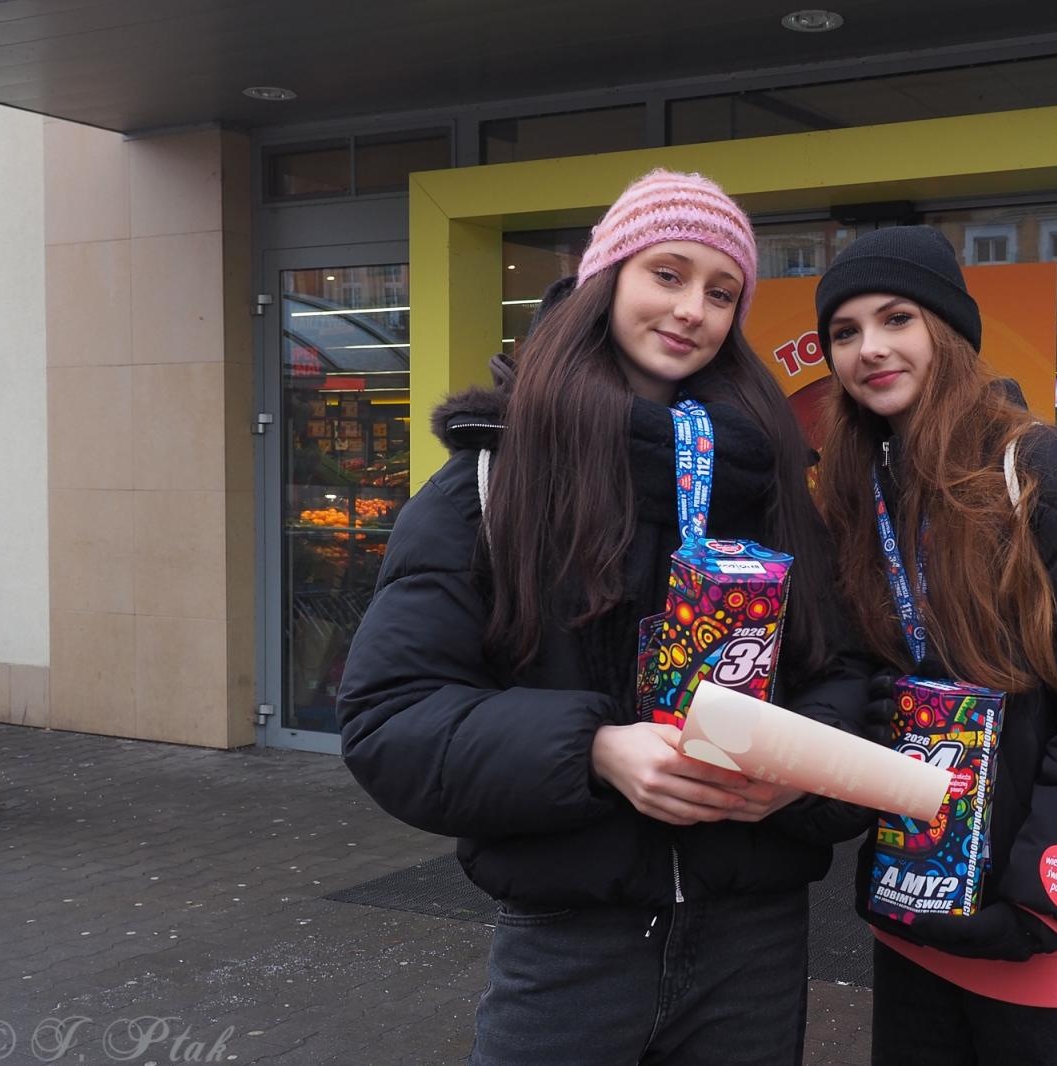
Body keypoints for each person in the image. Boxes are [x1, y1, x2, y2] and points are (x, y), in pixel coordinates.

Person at [336, 169, 871, 1066]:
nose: (693, 309)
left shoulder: (769, 477)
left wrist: (800, 776)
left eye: (721, 291)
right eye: (668, 273)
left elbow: (845, 676)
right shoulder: (493, 479)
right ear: (607, 277)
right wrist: (592, 749)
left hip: (753, 938)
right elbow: (391, 717)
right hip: (569, 943)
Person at [810, 226, 1057, 1066]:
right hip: (926, 914)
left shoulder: (1049, 478)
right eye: (845, 333)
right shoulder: (869, 495)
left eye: (896, 318)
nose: (869, 348)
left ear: (947, 331)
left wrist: (1045, 895)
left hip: (1053, 935)